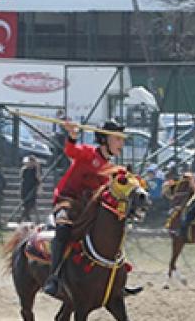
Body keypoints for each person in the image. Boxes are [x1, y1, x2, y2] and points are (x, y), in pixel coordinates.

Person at [43, 119, 126, 298]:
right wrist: (72, 136)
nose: (122, 143)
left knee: (110, 232)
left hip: (87, 208)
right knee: (64, 229)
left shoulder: (112, 169)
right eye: (118, 138)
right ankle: (54, 277)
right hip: (67, 201)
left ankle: (116, 282)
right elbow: (71, 151)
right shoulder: (88, 153)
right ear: (105, 139)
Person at [20, 155, 40, 223]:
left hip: (32, 189)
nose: (31, 163)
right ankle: (25, 218)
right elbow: (21, 177)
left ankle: (37, 219)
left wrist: (37, 167)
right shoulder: (25, 169)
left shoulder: (35, 170)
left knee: (33, 205)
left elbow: (38, 178)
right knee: (25, 205)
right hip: (25, 189)